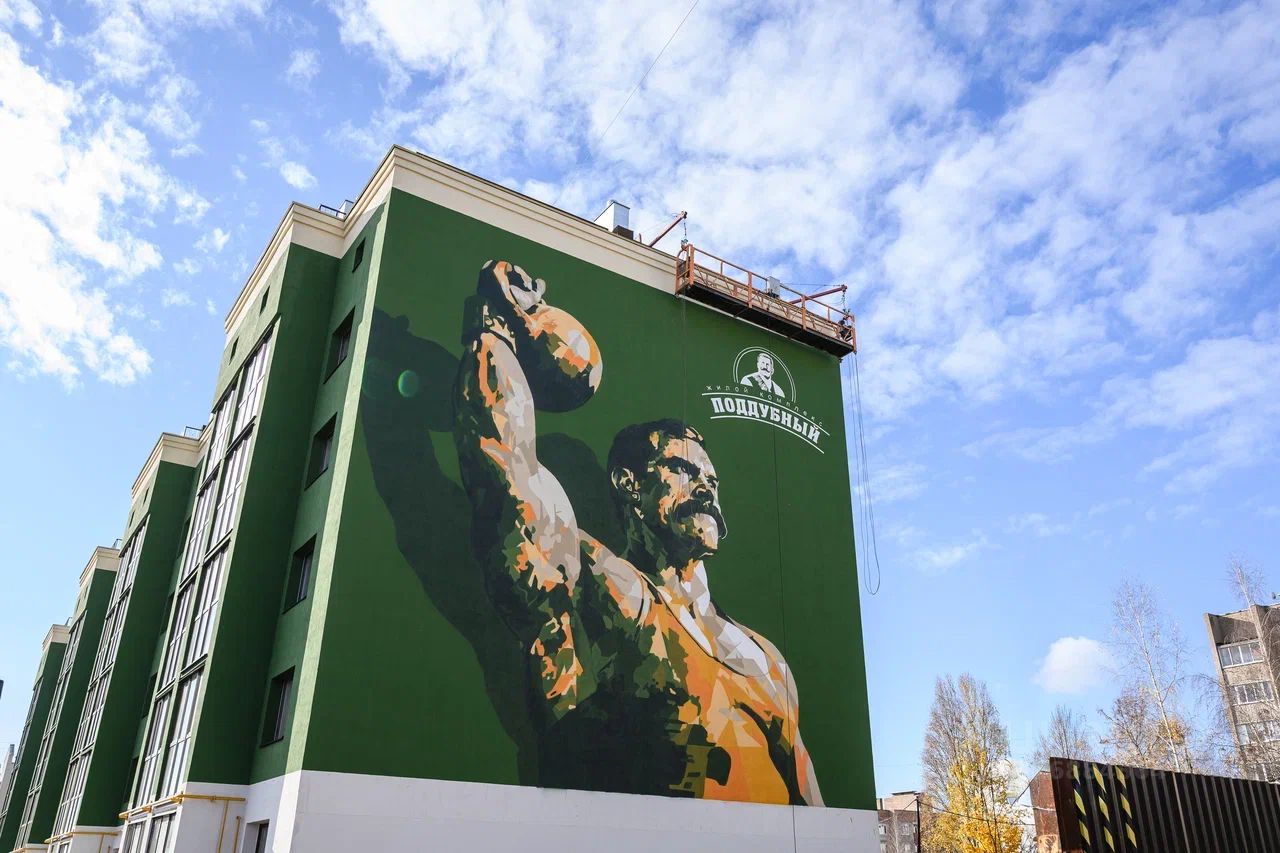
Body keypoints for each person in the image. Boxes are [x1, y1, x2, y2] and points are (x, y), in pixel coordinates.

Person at [453, 261, 821, 805]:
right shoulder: (601, 591)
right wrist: (497, 327)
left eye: (712, 479)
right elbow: (506, 466)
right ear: (628, 484)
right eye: (684, 470)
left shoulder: (767, 661)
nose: (706, 487)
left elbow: (812, 812)